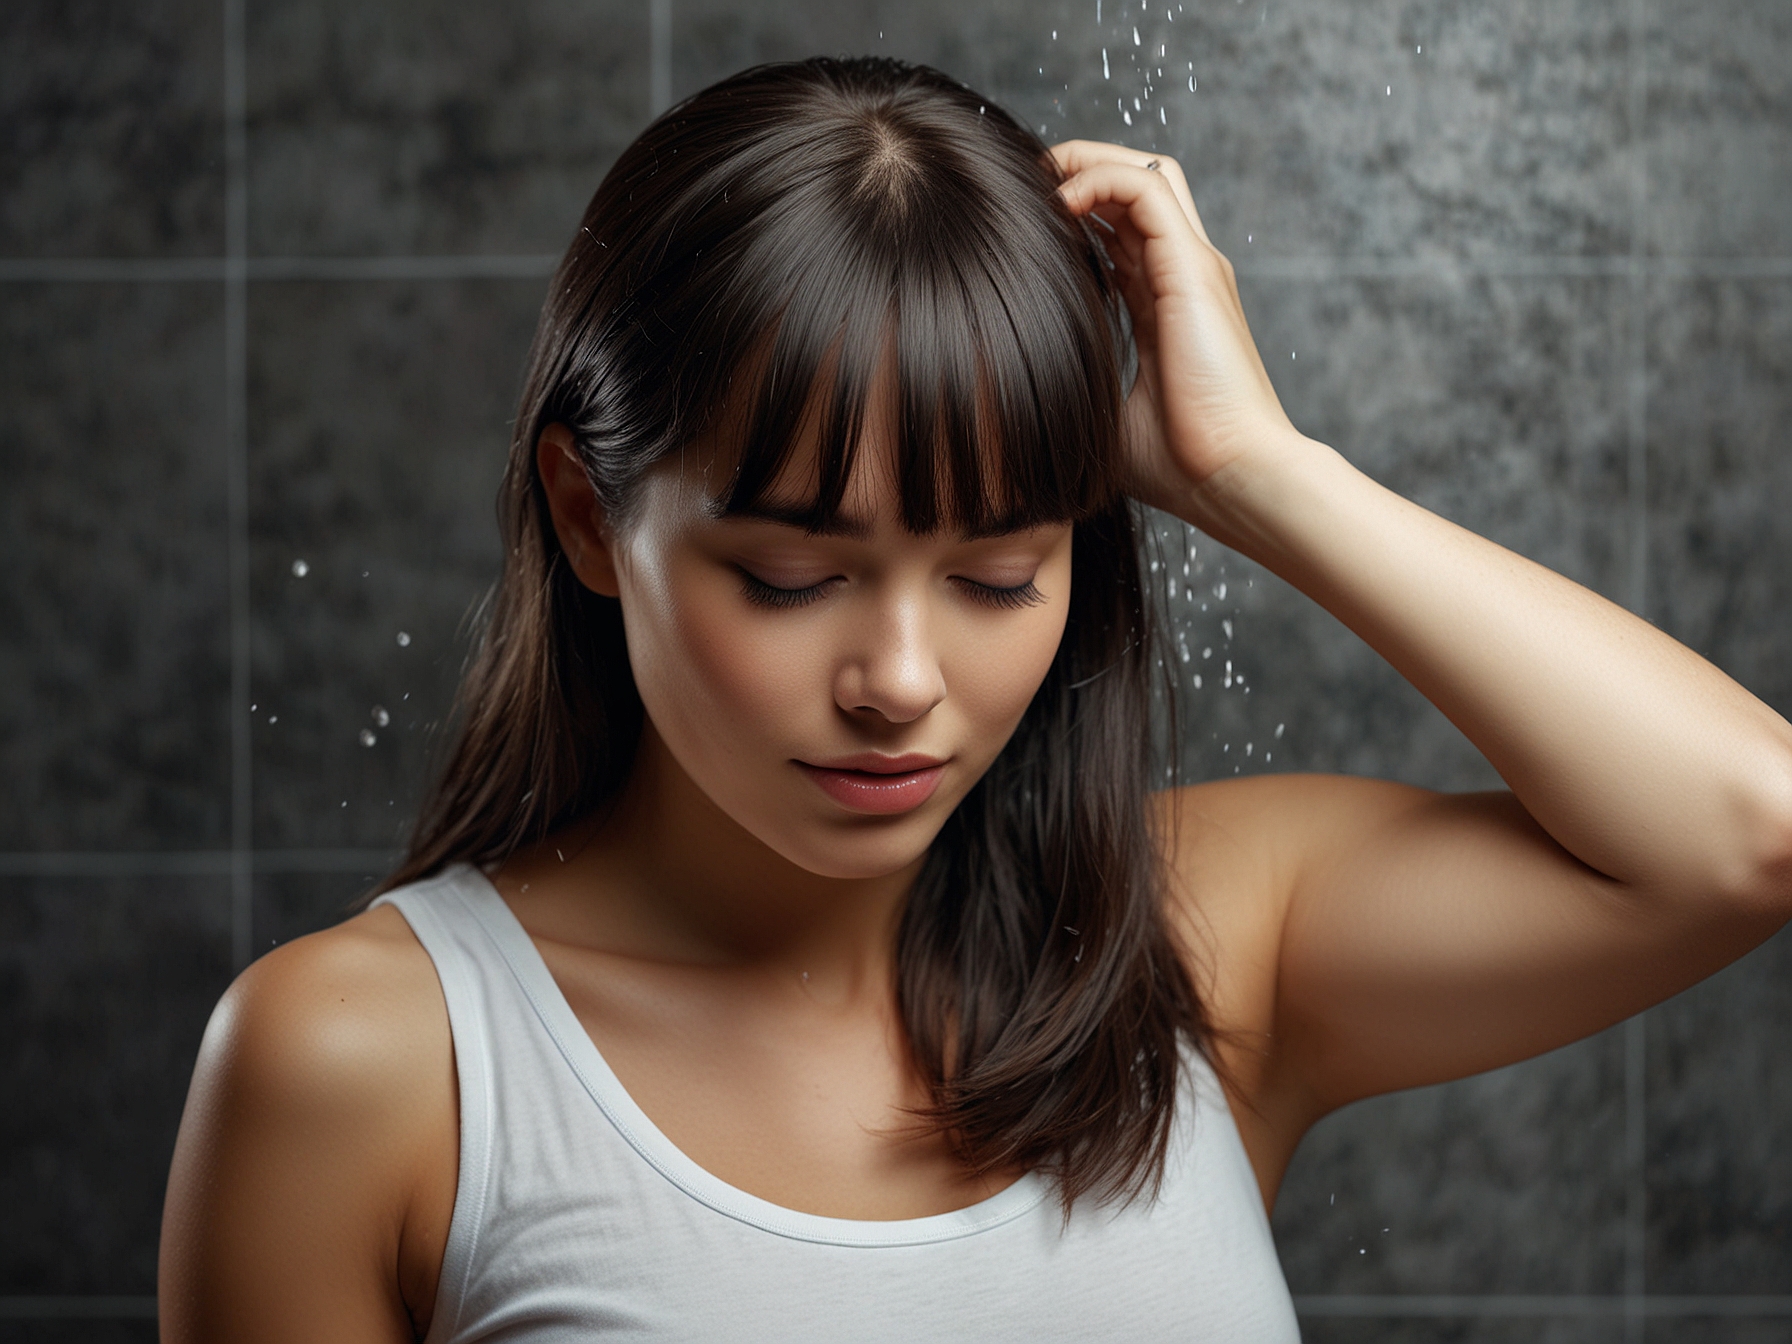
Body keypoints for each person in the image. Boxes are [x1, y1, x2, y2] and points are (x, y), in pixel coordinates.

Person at [158, 57, 1792, 1342]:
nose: (902, 683)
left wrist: (1255, 473)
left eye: (1002, 575)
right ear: (592, 520)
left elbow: (1745, 831)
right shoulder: (370, 1064)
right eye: (792, 581)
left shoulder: (1195, 943)